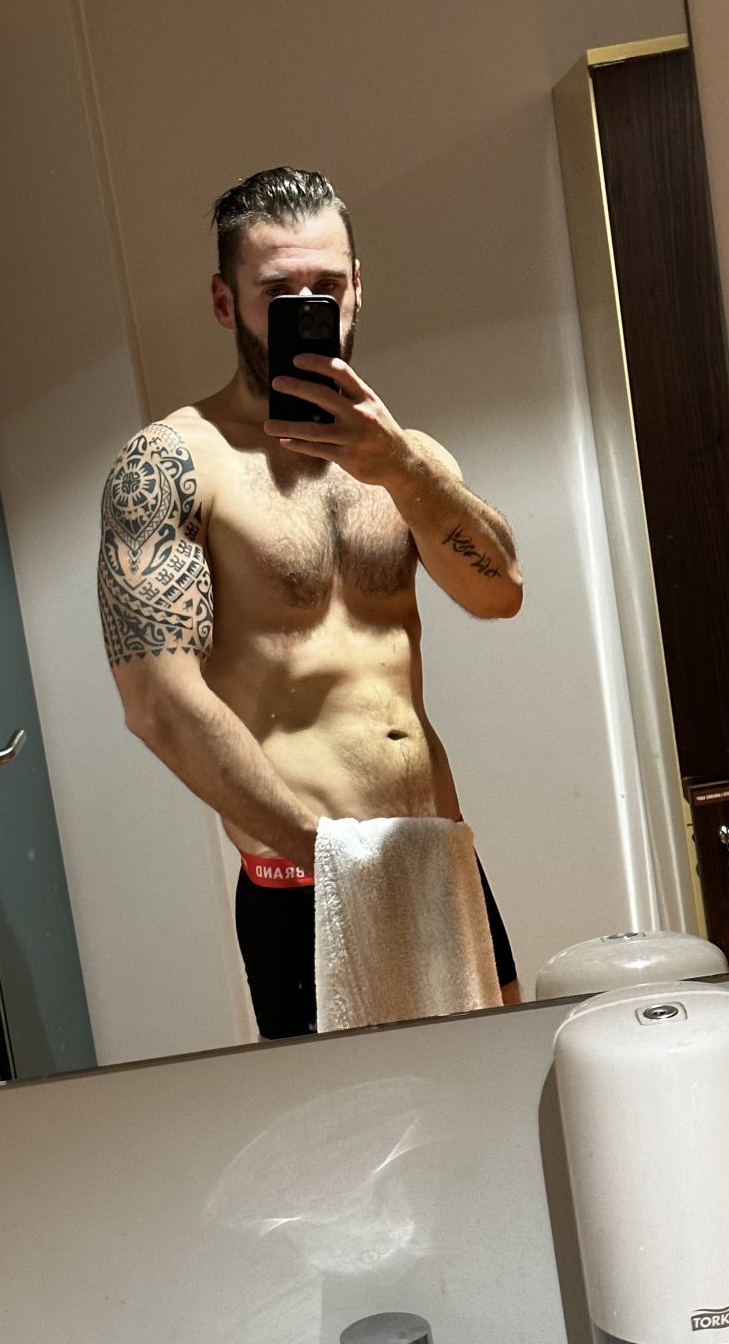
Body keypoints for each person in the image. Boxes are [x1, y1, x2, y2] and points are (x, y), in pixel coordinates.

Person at [98, 167, 523, 1037]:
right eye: (277, 290)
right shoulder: (173, 463)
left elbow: (500, 592)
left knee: (496, 1089)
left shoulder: (407, 459)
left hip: (435, 856)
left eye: (326, 286)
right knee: (352, 1119)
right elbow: (159, 705)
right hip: (304, 882)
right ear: (226, 301)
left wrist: (400, 467)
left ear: (358, 287)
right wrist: (330, 860)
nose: (307, 306)